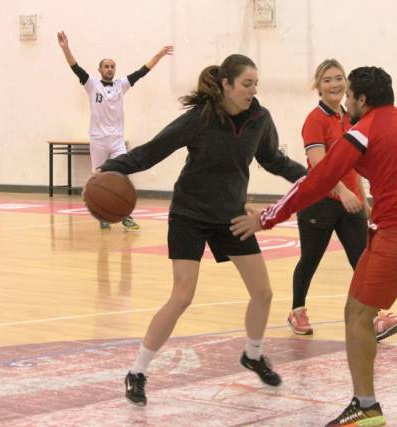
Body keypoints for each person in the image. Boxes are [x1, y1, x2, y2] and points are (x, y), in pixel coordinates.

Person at [231, 66, 397, 426]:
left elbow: (317, 180)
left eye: (350, 95)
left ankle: (365, 404)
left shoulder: (362, 131)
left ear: (362, 99)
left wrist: (268, 217)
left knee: (357, 313)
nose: (346, 101)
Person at [88, 54, 307, 406]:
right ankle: (137, 371)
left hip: (231, 215)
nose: (253, 90)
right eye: (246, 84)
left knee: (263, 292)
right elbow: (151, 152)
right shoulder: (199, 118)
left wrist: (313, 179)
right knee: (182, 296)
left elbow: (273, 160)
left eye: (255, 84)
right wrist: (109, 169)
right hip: (189, 214)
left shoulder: (260, 119)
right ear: (226, 84)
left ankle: (252, 355)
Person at [288, 59, 397, 343]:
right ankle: (297, 311)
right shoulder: (314, 120)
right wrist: (341, 192)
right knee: (310, 259)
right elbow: (320, 165)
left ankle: (376, 316)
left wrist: (364, 201)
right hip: (319, 202)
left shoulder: (352, 117)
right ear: (318, 86)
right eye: (327, 79)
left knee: (363, 259)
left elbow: (355, 164)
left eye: (339, 78)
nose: (335, 84)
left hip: (351, 202)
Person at [57, 30, 173, 230]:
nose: (110, 69)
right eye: (106, 66)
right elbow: (75, 67)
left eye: (112, 66)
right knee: (98, 177)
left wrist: (160, 55)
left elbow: (143, 71)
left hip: (117, 139)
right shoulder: (91, 84)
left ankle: (126, 215)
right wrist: (66, 48)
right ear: (100, 69)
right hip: (98, 139)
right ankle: (102, 215)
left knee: (122, 175)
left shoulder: (122, 84)